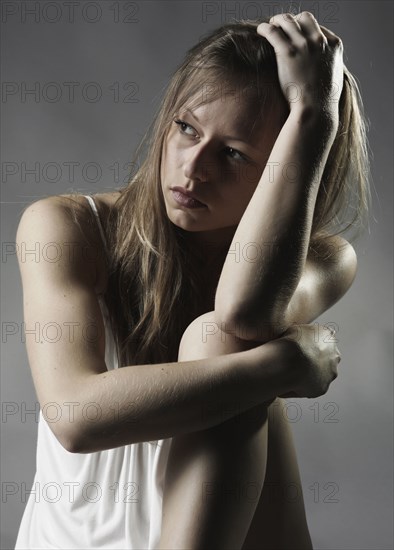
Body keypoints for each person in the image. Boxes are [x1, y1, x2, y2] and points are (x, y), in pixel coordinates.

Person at [14, 12, 370, 550]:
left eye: (232, 154)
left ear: (289, 163)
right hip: (77, 538)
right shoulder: (68, 226)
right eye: (186, 128)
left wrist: (316, 115)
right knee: (234, 348)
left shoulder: (326, 258)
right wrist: (285, 364)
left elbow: (243, 314)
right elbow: (74, 416)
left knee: (220, 338)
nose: (193, 168)